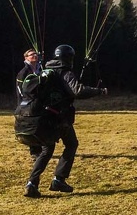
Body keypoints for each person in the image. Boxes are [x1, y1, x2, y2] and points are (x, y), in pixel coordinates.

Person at [23, 44, 107, 198]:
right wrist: (98, 91)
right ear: (69, 58)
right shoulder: (65, 72)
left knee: (47, 150)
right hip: (59, 118)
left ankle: (31, 183)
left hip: (44, 117)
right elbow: (78, 90)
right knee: (71, 144)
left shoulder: (46, 70)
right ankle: (58, 179)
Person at [16, 49, 43, 160]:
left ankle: (41, 150)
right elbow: (20, 89)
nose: (34, 56)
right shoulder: (23, 72)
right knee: (31, 126)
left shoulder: (39, 69)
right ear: (26, 58)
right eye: (31, 55)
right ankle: (35, 152)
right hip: (28, 103)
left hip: (39, 102)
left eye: (35, 54)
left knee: (40, 125)